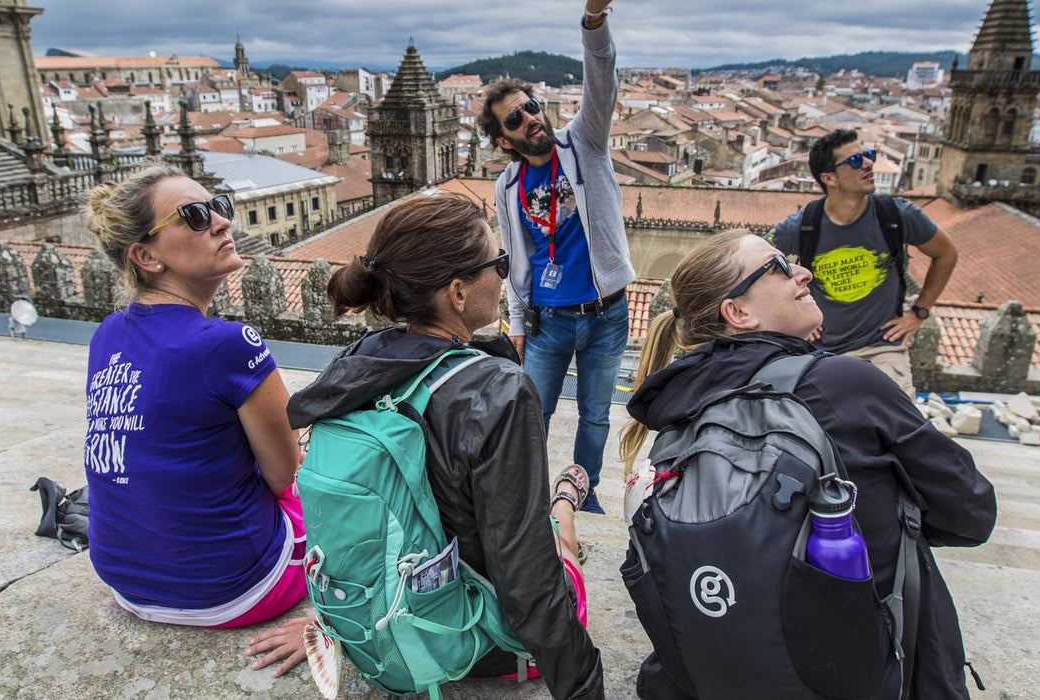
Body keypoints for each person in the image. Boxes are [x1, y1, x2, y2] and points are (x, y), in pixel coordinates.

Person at [620, 229, 996, 699]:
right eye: (778, 267)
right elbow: (972, 515)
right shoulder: (844, 385)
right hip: (856, 671)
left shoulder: (676, 411)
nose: (805, 272)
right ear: (739, 312)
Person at [287, 193, 604, 700]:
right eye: (499, 263)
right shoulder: (496, 391)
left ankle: (564, 498)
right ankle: (568, 499)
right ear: (457, 293)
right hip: (477, 639)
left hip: (384, 627)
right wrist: (585, 682)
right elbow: (528, 578)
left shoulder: (355, 366)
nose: (505, 276)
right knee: (562, 548)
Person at [83, 163, 310, 676]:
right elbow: (285, 476)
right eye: (194, 216)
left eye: (219, 206)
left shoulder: (106, 335)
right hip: (233, 590)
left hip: (127, 584)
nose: (220, 221)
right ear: (145, 256)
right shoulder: (228, 344)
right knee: (340, 485)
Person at [480, 0, 634, 514]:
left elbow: (602, 80)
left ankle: (580, 504)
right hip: (547, 322)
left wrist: (594, 21)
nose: (530, 119)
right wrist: (517, 323)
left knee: (594, 415)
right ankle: (526, 502)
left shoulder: (584, 144)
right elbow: (513, 260)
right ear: (505, 138)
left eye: (530, 108)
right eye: (515, 119)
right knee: (532, 414)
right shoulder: (507, 186)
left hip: (607, 314)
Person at [767, 128, 959, 398]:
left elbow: (946, 254)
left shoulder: (896, 215)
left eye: (868, 155)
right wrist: (792, 317)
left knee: (895, 422)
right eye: (856, 161)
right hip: (818, 352)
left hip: (881, 349)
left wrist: (919, 313)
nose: (869, 164)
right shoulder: (801, 226)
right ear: (828, 178)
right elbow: (754, 267)